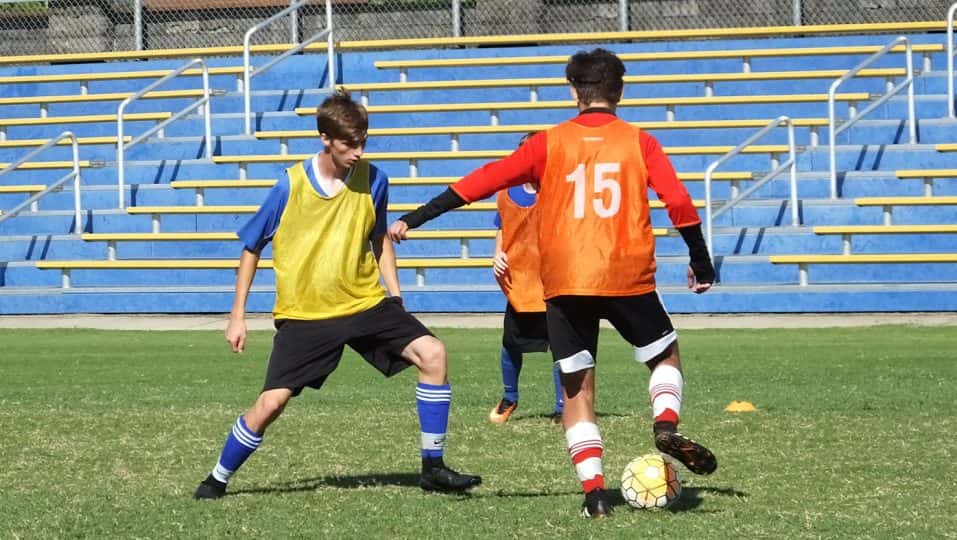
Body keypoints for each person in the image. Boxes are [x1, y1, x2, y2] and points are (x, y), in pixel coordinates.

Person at [388, 48, 717, 519]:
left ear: (573, 93)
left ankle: (596, 496)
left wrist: (417, 217)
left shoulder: (547, 143)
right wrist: (700, 262)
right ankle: (665, 424)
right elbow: (680, 203)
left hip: (564, 281)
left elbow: (482, 180)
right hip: (627, 275)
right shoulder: (640, 142)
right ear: (619, 92)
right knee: (664, 356)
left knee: (577, 391)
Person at [193, 90, 481, 500]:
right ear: (325, 138)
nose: (359, 152)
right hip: (307, 314)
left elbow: (378, 237)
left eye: (364, 141)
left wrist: (395, 295)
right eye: (350, 143)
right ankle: (217, 478)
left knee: (433, 354)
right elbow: (251, 246)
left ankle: (432, 467)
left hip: (364, 301)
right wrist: (236, 316)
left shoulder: (375, 180)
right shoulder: (289, 185)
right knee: (271, 404)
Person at [488, 133, 564, 425]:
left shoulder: (557, 192)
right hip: (520, 282)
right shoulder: (507, 193)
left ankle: (562, 408)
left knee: (561, 346)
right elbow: (503, 228)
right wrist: (498, 255)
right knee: (510, 343)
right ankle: (510, 397)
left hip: (553, 280)